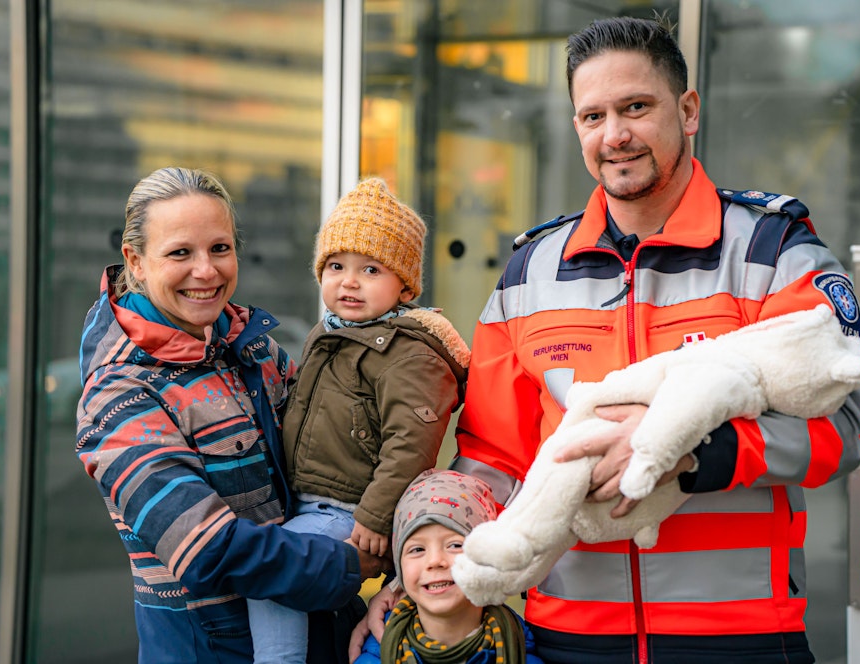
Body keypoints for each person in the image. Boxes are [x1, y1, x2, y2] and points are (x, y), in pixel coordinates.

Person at [356, 16, 860, 664]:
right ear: (576, 126)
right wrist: (427, 572)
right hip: (568, 638)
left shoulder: (773, 249)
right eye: (593, 115)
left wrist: (689, 450)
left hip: (740, 635)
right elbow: (491, 458)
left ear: (687, 111)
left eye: (635, 107)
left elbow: (847, 423)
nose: (615, 134)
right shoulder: (531, 272)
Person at [75, 166, 388, 663]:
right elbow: (207, 548)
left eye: (220, 248)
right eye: (181, 252)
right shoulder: (119, 394)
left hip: (327, 634)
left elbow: (345, 460)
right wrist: (351, 563)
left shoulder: (255, 349)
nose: (207, 271)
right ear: (135, 261)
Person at [247, 177, 471, 663]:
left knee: (274, 572)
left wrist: (373, 516)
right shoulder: (327, 335)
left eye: (370, 268)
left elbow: (410, 444)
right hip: (308, 502)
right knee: (288, 578)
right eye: (336, 265)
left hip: (350, 511)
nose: (349, 281)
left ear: (403, 283)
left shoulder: (408, 354)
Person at [354, 469, 542, 663]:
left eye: (455, 545)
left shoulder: (522, 655)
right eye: (417, 549)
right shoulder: (375, 657)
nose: (435, 560)